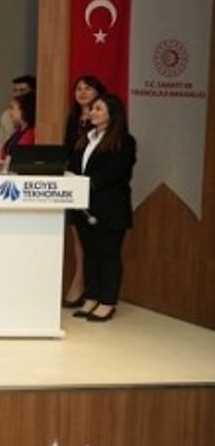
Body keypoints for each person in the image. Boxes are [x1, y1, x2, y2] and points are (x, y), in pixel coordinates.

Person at [69, 94, 136, 323]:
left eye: (98, 109)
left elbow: (116, 172)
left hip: (110, 208)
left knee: (108, 254)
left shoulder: (124, 141)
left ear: (112, 114)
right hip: (84, 206)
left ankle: (107, 301)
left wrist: (87, 183)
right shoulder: (86, 138)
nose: (92, 112)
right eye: (92, 109)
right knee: (90, 254)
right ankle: (92, 297)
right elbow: (75, 166)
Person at [61, 75, 106, 307]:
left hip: (95, 188)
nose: (82, 92)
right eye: (78, 88)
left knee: (94, 242)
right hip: (73, 183)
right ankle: (80, 283)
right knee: (77, 237)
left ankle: (87, 288)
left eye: (88, 88)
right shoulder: (73, 119)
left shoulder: (104, 122)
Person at [0, 74, 35, 168]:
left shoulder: (32, 130)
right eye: (15, 90)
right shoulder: (6, 116)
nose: (18, 94)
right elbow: (0, 143)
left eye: (22, 90)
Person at [0, 91, 36, 162]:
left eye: (12, 108)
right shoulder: (18, 131)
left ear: (23, 110)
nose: (10, 112)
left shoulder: (30, 134)